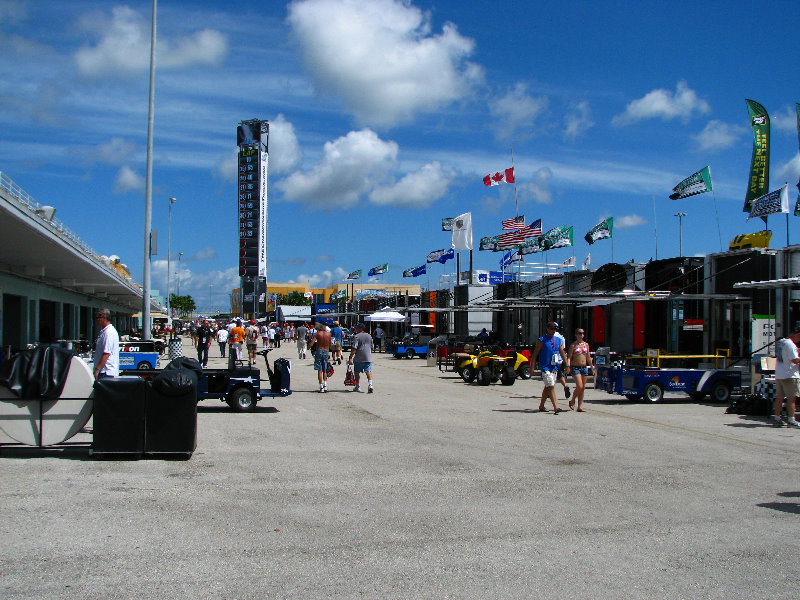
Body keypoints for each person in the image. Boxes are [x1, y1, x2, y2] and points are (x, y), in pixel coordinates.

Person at [530, 321, 567, 413]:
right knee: (550, 386)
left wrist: (567, 364)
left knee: (547, 387)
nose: (553, 330)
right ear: (547, 329)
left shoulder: (558, 340)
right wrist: (532, 367)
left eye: (555, 329)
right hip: (545, 367)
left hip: (554, 367)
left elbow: (562, 353)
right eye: (551, 328)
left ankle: (541, 406)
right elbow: (535, 355)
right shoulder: (541, 340)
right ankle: (555, 407)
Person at [772, 328, 800, 427]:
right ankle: (791, 419)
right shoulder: (791, 345)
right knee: (791, 399)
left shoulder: (781, 343)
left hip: (779, 374)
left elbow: (786, 355)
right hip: (790, 375)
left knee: (779, 398)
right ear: (796, 335)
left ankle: (777, 417)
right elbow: (795, 360)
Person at [567, 328, 593, 412]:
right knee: (579, 386)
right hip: (575, 367)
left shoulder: (586, 345)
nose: (581, 335)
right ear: (576, 334)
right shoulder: (573, 345)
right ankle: (572, 400)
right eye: (579, 333)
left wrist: (592, 367)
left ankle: (580, 406)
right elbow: (569, 357)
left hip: (584, 367)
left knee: (582, 388)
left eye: (582, 333)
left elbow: (588, 357)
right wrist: (568, 366)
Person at [92, 308, 119, 379]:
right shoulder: (104, 331)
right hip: (104, 371)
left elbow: (106, 353)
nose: (96, 320)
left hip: (106, 372)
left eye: (97, 318)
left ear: (104, 317)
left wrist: (97, 369)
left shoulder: (108, 333)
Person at [348, 322, 374, 393]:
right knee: (368, 371)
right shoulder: (369, 336)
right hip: (367, 357)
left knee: (357, 372)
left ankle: (357, 386)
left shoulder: (357, 336)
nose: (355, 329)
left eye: (357, 328)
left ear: (360, 328)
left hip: (359, 357)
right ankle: (370, 385)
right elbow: (372, 348)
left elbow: (354, 348)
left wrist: (350, 357)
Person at [309, 322, 332, 393]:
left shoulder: (317, 334)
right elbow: (330, 344)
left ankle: (321, 386)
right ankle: (325, 385)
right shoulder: (329, 334)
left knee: (319, 369)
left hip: (319, 350)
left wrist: (308, 347)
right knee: (325, 369)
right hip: (326, 350)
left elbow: (312, 343)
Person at [553, 322, 571, 399]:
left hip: (552, 359)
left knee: (551, 375)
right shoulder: (561, 337)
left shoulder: (551, 337)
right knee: (559, 374)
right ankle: (565, 385)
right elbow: (563, 349)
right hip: (560, 359)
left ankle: (549, 391)